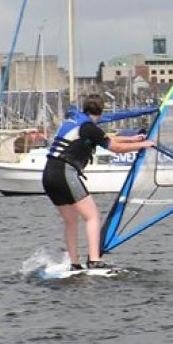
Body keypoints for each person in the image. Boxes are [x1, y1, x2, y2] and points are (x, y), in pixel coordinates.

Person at [42, 94, 154, 270]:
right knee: (92, 216)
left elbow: (105, 139)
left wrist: (132, 140)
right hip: (65, 172)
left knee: (71, 221)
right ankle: (94, 261)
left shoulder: (77, 122)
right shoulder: (88, 127)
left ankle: (74, 264)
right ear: (100, 112)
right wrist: (143, 145)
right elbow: (115, 148)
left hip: (49, 174)